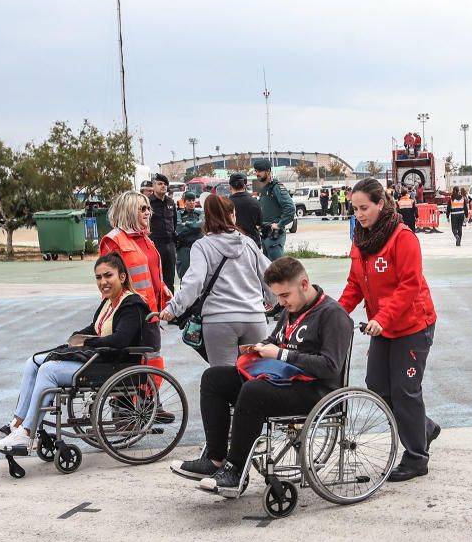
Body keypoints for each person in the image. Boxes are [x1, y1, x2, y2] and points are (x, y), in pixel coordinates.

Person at [170, 257, 355, 491]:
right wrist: (258, 348)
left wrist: (281, 355)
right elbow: (274, 340)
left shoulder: (333, 314)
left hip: (316, 392)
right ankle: (215, 458)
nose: (280, 302)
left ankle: (235, 470)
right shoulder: (292, 308)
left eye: (285, 295)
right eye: (277, 296)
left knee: (254, 391)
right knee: (214, 378)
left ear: (304, 284)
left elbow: (331, 366)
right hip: (283, 380)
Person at [0, 253, 150, 451]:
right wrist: (77, 336)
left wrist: (87, 343)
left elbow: (120, 340)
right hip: (97, 360)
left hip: (113, 366)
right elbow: (95, 328)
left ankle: (27, 433)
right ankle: (17, 423)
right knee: (33, 362)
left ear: (122, 277)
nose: (103, 281)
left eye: (108, 276)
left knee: (48, 370)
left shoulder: (132, 305)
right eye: (98, 277)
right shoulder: (109, 302)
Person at [340, 178, 441, 482]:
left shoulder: (403, 237)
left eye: (364, 207)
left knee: (405, 391)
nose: (359, 214)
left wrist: (382, 318)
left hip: (411, 324)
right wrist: (332, 313)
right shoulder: (361, 238)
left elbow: (409, 285)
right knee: (378, 386)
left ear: (380, 203)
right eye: (354, 208)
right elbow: (355, 283)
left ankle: (416, 457)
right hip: (382, 326)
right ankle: (423, 428)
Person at [159, 195, 272, 367]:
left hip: (219, 320)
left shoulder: (202, 246)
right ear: (232, 216)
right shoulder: (249, 243)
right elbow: (269, 274)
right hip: (254, 317)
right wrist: (272, 300)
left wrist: (174, 308)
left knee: (223, 378)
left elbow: (194, 282)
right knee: (256, 377)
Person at [100, 191, 169, 354]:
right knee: (137, 365)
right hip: (129, 315)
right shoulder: (114, 241)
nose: (148, 212)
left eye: (148, 209)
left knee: (153, 362)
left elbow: (148, 270)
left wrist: (162, 286)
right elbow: (108, 282)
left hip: (150, 313)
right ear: (129, 210)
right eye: (142, 208)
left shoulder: (144, 238)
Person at [255, 158, 295, 260]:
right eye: (256, 171)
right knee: (268, 271)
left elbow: (290, 208)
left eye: (259, 171)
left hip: (274, 237)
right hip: (265, 234)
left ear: (268, 171)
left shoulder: (276, 187)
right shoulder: (264, 189)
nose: (257, 173)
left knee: (278, 270)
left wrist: (279, 224)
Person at [148, 173, 178, 292]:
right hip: (155, 245)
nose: (163, 186)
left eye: (165, 184)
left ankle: (169, 306)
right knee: (155, 278)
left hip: (170, 245)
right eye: (160, 184)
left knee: (169, 279)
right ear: (154, 186)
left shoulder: (170, 202)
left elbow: (174, 222)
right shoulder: (148, 202)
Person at [228, 172, 262, 248]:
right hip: (253, 243)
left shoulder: (225, 204)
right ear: (245, 185)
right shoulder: (255, 202)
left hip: (233, 244)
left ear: (230, 186)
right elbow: (259, 224)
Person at [175, 192, 203, 279]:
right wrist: (195, 227)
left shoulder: (199, 213)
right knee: (184, 276)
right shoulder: (179, 213)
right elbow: (179, 229)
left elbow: (202, 225)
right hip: (184, 248)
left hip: (199, 249)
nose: (192, 202)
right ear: (184, 202)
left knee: (200, 276)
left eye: (193, 200)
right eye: (189, 200)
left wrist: (186, 224)